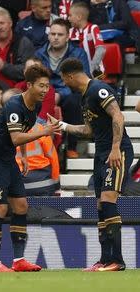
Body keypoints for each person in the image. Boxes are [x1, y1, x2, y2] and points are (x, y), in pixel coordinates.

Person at [0, 64, 60, 272]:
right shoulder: (15, 104)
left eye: (47, 86)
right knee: (0, 208)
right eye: (41, 86)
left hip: (8, 159)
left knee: (21, 206)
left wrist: (22, 155)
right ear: (29, 85)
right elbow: (15, 136)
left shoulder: (36, 105)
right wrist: (45, 131)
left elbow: (24, 129)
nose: (44, 90)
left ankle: (19, 260)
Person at [54, 57, 133, 272]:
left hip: (116, 152)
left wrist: (116, 147)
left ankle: (117, 261)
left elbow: (117, 114)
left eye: (63, 79)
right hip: (101, 154)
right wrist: (62, 126)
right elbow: (89, 130)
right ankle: (105, 260)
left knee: (108, 201)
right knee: (100, 207)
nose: (64, 83)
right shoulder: (84, 97)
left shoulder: (98, 89)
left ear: (70, 76)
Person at [35, 18, 90, 158]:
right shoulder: (39, 54)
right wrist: (50, 93)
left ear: (67, 37)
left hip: (70, 92)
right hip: (45, 93)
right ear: (48, 35)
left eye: (60, 35)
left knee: (73, 100)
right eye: (53, 34)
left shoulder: (78, 54)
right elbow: (35, 79)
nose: (55, 37)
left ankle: (72, 146)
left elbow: (83, 81)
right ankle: (38, 143)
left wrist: (60, 94)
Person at [0, 7, 35, 87]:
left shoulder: (23, 42)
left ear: (10, 23)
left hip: (14, 90)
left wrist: (4, 66)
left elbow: (29, 71)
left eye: (2, 23)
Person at [68, 2, 106, 78]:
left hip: (96, 70)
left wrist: (92, 68)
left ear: (79, 17)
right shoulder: (70, 31)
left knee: (97, 87)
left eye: (70, 15)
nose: (68, 18)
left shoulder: (93, 28)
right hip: (77, 72)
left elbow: (101, 50)